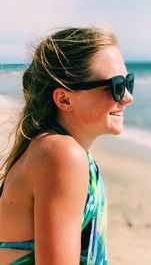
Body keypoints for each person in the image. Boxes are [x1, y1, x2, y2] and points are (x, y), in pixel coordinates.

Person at [0, 26, 134, 264]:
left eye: (128, 83)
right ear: (64, 98)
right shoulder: (61, 154)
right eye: (116, 86)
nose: (127, 97)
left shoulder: (50, 149)